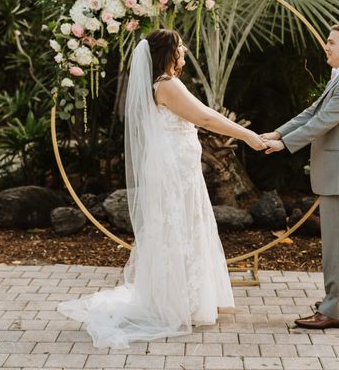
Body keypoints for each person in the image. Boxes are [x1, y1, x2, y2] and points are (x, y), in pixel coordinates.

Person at [57, 29, 267, 348]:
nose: (183, 49)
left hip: (178, 167)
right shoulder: (167, 85)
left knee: (183, 226)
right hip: (175, 171)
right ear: (165, 53)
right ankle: (182, 302)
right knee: (180, 227)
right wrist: (247, 135)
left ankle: (188, 298)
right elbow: (205, 118)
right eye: (178, 45)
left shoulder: (160, 84)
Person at [261, 23, 339, 329]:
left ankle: (332, 312)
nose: (327, 46)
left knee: (338, 243)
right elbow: (311, 112)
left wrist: (284, 144)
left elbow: (322, 122)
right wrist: (279, 132)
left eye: (331, 42)